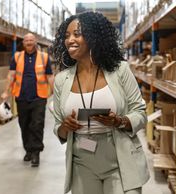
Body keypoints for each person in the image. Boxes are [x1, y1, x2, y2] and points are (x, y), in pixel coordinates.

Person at [51, 12, 149, 194]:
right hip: (82, 161)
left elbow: (140, 113)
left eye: (77, 34)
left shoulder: (120, 70)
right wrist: (65, 126)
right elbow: (59, 127)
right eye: (66, 36)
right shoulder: (61, 80)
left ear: (93, 37)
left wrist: (119, 121)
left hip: (120, 157)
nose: (70, 40)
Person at [1, 33, 54, 167]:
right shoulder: (17, 57)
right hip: (22, 97)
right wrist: (6, 91)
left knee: (37, 125)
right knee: (24, 125)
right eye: (26, 40)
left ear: (35, 42)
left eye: (31, 40)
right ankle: (28, 150)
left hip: (39, 97)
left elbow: (50, 76)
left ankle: (36, 152)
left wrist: (56, 93)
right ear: (23, 43)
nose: (29, 42)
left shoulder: (44, 57)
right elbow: (11, 75)